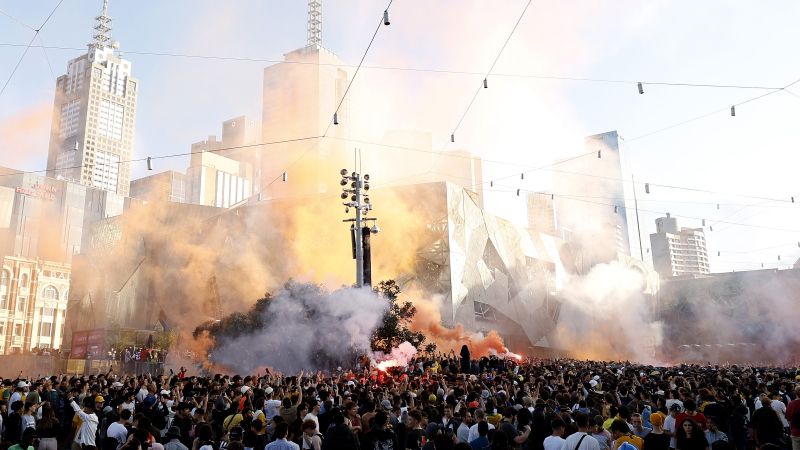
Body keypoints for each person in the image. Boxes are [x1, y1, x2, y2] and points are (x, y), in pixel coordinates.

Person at [787, 386, 800, 450]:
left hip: (795, 431)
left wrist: (791, 429)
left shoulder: (791, 404)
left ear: (796, 393)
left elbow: (789, 419)